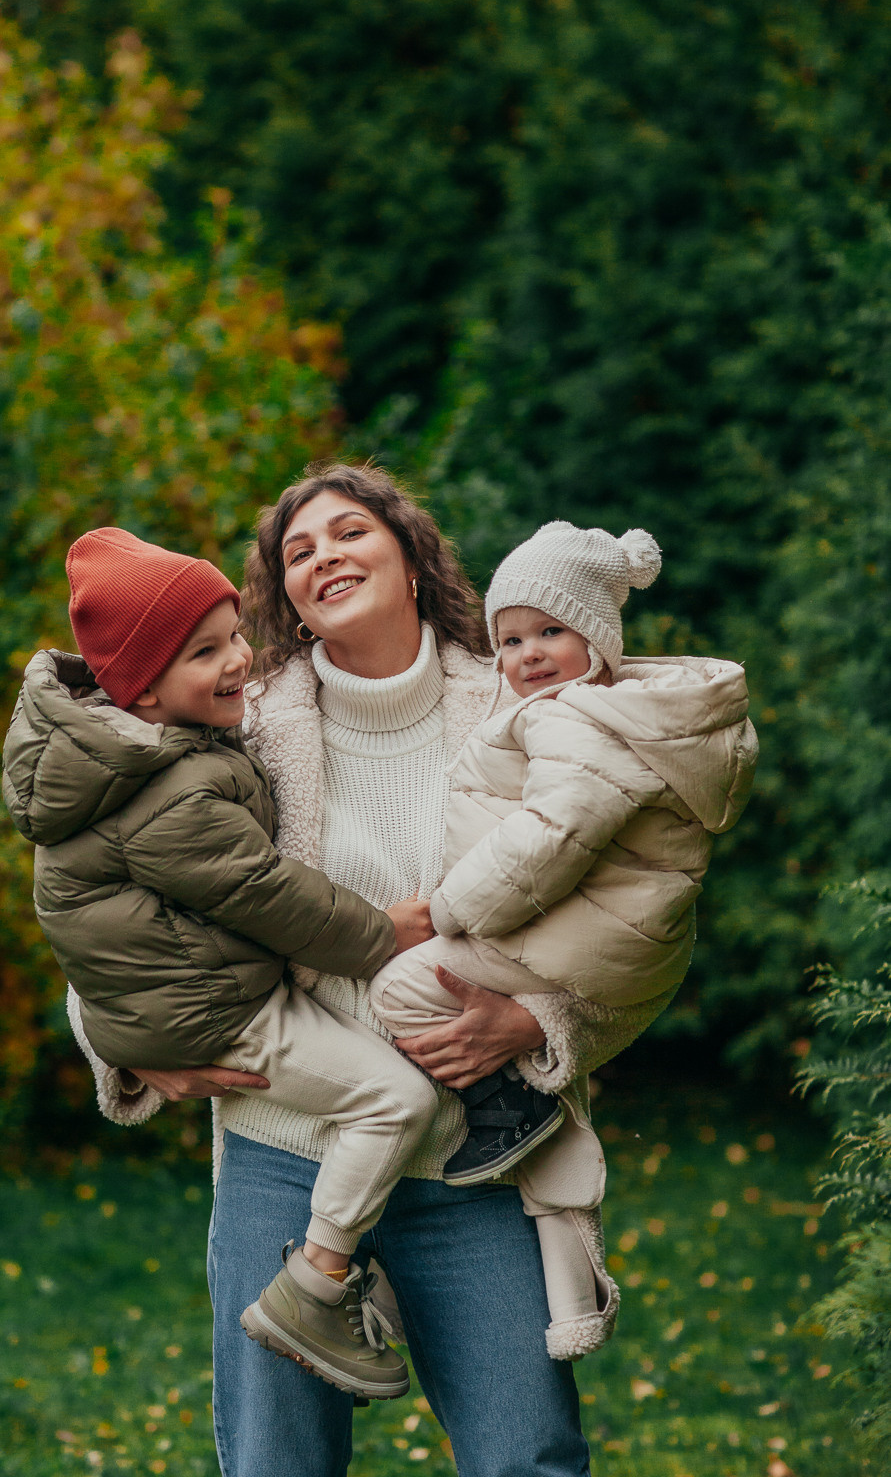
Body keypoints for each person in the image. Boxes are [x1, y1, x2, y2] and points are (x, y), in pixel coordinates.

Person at [71, 465, 683, 1477]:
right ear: (286, 595)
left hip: (474, 1156)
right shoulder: (242, 719)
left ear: (409, 559)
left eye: (349, 531)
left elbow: (642, 915)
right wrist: (124, 1044)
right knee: (277, 1465)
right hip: (284, 1148)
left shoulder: (521, 699)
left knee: (526, 1455)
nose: (323, 556)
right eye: (296, 551)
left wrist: (537, 1025)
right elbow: (114, 900)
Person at [2, 526, 442, 1399]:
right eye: (206, 652)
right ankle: (315, 1288)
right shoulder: (170, 792)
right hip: (210, 1014)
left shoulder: (132, 754)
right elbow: (266, 893)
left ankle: (351, 1256)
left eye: (235, 633)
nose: (239, 659)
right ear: (146, 694)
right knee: (397, 1101)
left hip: (195, 995)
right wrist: (381, 934)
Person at [370, 519, 757, 1353]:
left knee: (402, 987)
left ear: (600, 640)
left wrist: (446, 911)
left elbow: (549, 840)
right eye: (510, 637)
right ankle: (572, 1302)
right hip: (604, 942)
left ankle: (503, 1109)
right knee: (536, 1105)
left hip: (575, 939)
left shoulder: (571, 719)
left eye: (552, 631)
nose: (528, 654)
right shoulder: (615, 714)